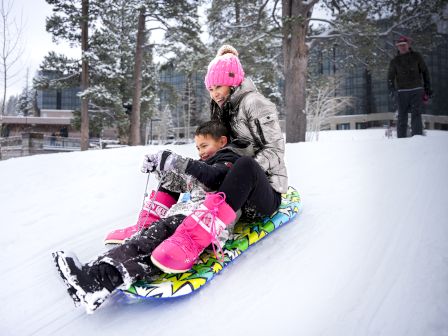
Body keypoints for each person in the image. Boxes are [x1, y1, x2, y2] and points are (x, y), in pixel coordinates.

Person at [53, 120, 241, 313]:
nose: (201, 152)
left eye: (204, 145)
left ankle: (96, 281)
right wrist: (160, 168)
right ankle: (95, 276)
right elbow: (180, 182)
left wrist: (178, 162)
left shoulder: (230, 161)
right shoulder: (205, 164)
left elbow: (214, 176)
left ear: (222, 141)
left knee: (146, 242)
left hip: (202, 221)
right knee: (148, 243)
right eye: (197, 147)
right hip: (188, 218)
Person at [149, 44, 288, 274]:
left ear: (233, 82)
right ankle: (154, 223)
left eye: (219, 86)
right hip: (233, 185)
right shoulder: (221, 106)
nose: (215, 93)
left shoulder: (255, 103)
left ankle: (200, 235)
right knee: (187, 168)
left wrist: (238, 171)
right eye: (211, 88)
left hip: (262, 192)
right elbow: (219, 147)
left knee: (242, 165)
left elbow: (275, 150)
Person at [387, 35, 432, 138]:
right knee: (402, 117)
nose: (402, 47)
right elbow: (390, 78)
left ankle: (417, 139)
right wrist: (392, 92)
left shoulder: (417, 56)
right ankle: (401, 141)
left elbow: (425, 72)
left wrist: (427, 88)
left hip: (416, 90)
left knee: (416, 115)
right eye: (400, 45)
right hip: (402, 92)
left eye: (404, 45)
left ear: (408, 45)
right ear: (397, 47)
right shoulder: (394, 61)